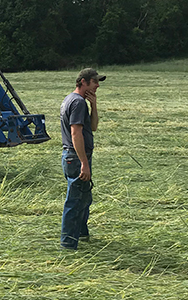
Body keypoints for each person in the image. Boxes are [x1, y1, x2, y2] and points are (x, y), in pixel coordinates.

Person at [59, 68, 104, 250]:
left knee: (84, 198)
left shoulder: (73, 100)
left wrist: (94, 106)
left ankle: (82, 233)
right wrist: (84, 163)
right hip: (76, 157)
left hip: (74, 156)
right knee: (75, 200)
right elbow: (76, 133)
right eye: (95, 82)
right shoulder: (77, 103)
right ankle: (68, 243)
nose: (98, 85)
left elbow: (92, 127)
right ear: (83, 82)